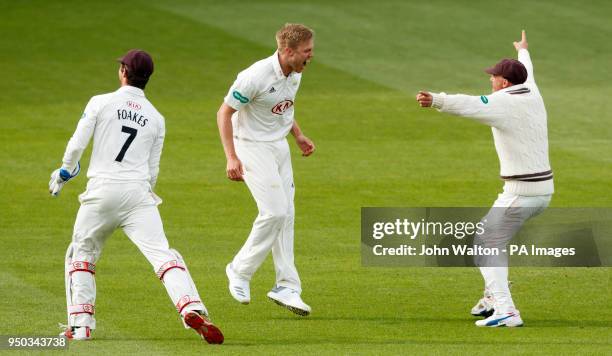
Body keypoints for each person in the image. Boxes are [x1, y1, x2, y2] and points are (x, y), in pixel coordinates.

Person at [49, 50, 223, 343]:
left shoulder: (100, 102)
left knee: (81, 255)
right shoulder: (156, 118)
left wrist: (65, 172)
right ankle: (191, 307)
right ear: (147, 78)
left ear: (123, 72)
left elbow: (77, 143)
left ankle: (81, 326)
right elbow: (152, 170)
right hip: (139, 194)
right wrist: (141, 196)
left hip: (102, 191)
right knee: (164, 256)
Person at [416, 31, 553, 327]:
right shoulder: (532, 91)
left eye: (494, 77)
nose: (490, 80)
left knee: (486, 242)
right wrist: (523, 51)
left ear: (504, 83)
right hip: (541, 192)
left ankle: (506, 309)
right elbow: (529, 71)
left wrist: (436, 100)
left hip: (523, 191)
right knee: (490, 239)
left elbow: (468, 104)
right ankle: (492, 297)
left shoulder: (502, 102)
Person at [216, 23, 316, 316]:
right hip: (251, 146)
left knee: (287, 216)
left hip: (278, 147)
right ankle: (239, 270)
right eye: (306, 51)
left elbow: (284, 107)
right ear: (288, 51)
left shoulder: (295, 73)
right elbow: (224, 113)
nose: (310, 56)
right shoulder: (255, 76)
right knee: (274, 212)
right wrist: (231, 157)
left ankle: (287, 286)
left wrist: (297, 134)